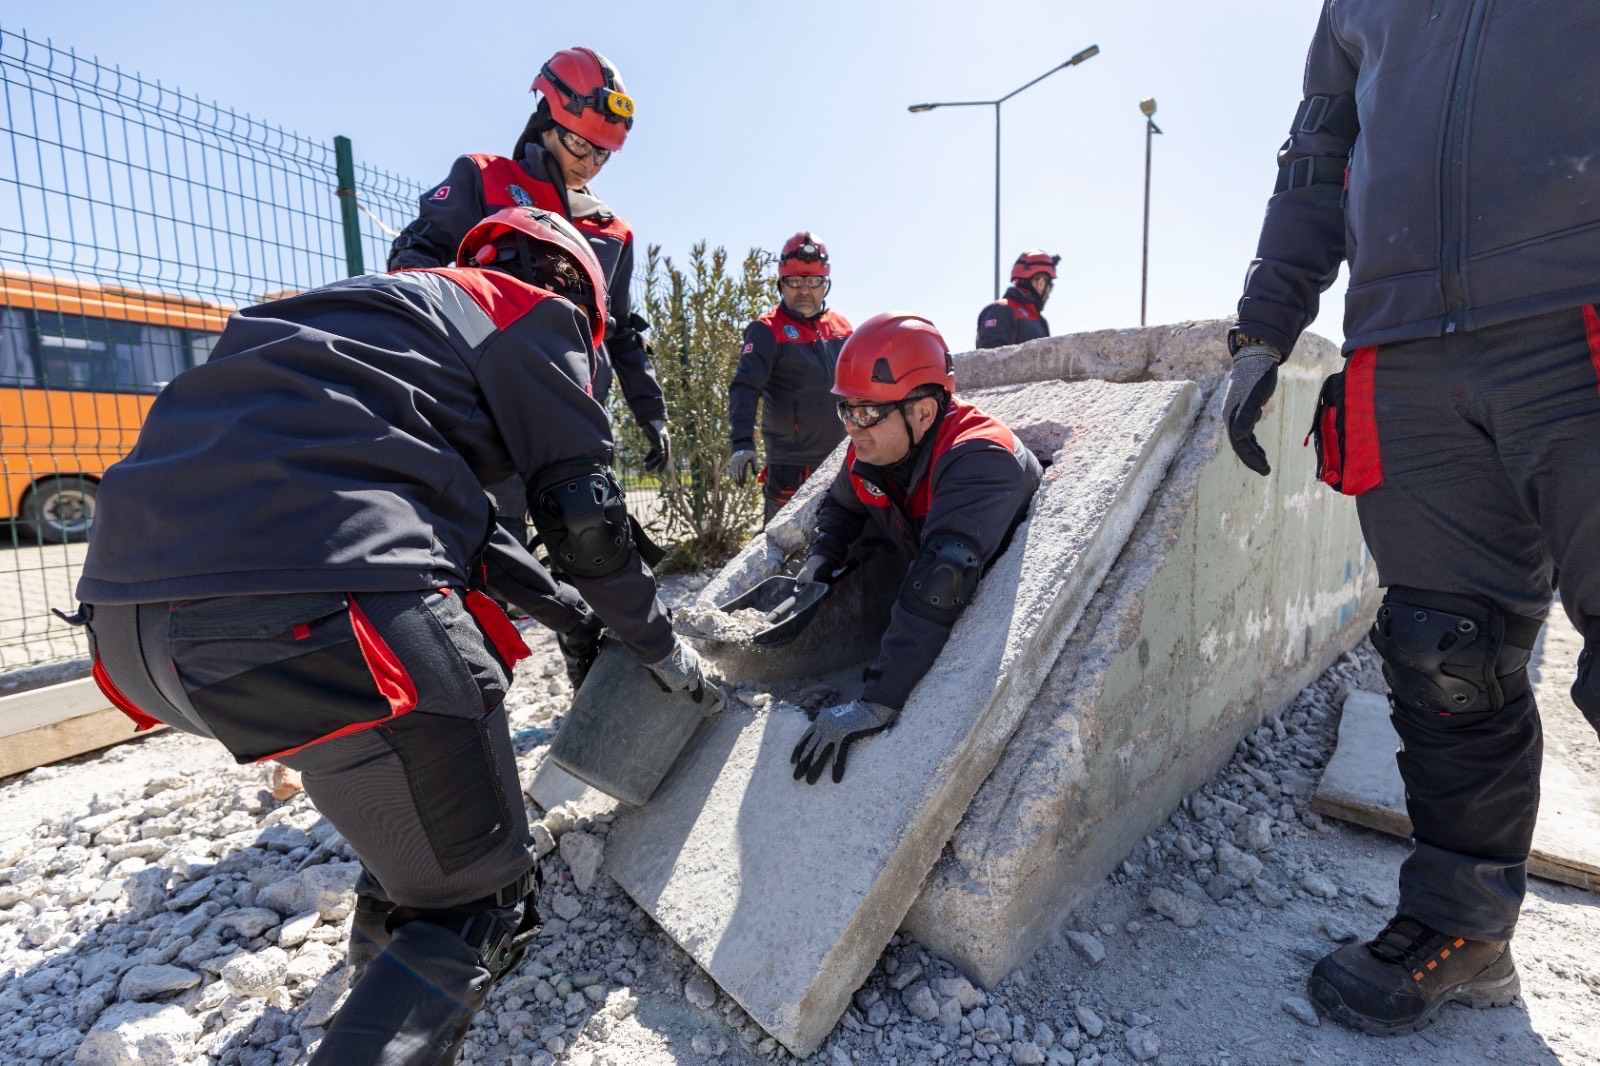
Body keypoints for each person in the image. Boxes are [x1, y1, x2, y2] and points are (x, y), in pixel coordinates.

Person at [72, 207, 708, 1065]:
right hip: (313, 606)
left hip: (135, 639)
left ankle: (398, 938)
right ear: (574, 296)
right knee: (479, 900)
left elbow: (476, 531)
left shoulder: (351, 320)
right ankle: (433, 933)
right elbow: (586, 522)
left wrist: (574, 618)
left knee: (411, 762)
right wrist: (661, 648)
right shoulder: (530, 311)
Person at [1222, 0, 1600, 1038]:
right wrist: (1264, 325)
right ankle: (1462, 928)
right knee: (1446, 657)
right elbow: (1318, 151)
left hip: (1580, 314)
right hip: (1404, 350)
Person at [387, 46, 670, 475]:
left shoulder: (614, 232)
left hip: (577, 413)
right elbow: (415, 263)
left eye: (602, 153)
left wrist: (651, 411)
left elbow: (623, 330)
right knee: (495, 532)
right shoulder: (484, 178)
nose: (590, 163)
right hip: (487, 410)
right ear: (546, 121)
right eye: (580, 144)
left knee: (588, 535)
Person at [788, 313, 1041, 785]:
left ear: (922, 412)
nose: (852, 428)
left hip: (992, 629)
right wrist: (822, 558)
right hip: (936, 600)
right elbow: (842, 505)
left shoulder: (979, 455)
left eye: (864, 413)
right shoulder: (874, 448)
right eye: (844, 410)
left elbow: (942, 581)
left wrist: (878, 700)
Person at [728, 232, 854, 522]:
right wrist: (742, 444)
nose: (804, 290)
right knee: (785, 552)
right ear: (781, 283)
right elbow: (745, 388)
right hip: (792, 468)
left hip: (842, 461)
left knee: (844, 546)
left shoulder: (842, 328)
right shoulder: (766, 329)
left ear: (826, 283)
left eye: (813, 281)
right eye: (795, 281)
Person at [975, 250, 1058, 349]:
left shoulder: (1040, 321)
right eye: (1050, 287)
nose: (1049, 294)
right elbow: (991, 360)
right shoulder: (1001, 310)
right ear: (1041, 283)